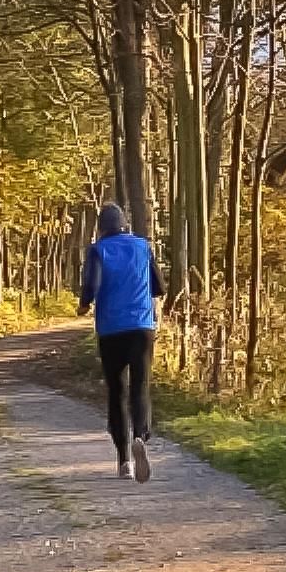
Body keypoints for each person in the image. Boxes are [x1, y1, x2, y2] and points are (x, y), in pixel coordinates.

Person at [78, 203, 165, 482]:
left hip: (111, 329)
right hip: (141, 327)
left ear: (102, 228)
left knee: (117, 392)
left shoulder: (98, 250)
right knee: (140, 385)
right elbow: (160, 287)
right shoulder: (142, 246)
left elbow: (91, 286)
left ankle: (124, 461)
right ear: (125, 224)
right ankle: (140, 434)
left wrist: (84, 305)